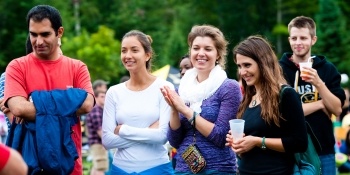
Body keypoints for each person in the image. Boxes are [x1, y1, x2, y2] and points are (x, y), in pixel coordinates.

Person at [1, 5, 94, 175]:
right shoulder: (16, 67)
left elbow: (87, 104)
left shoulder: (77, 67)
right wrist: (70, 101)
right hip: (29, 164)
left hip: (70, 165)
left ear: (59, 32)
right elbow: (18, 108)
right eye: (33, 34)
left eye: (45, 34)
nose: (38, 41)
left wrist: (34, 100)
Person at [161, 25, 242, 174]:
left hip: (218, 168)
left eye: (208, 49)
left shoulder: (229, 87)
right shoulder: (182, 89)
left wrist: (185, 110)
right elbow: (174, 141)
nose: (201, 53)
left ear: (218, 54)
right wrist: (174, 109)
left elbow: (221, 136)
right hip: (183, 169)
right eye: (196, 48)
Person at [226, 35, 308, 174]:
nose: (242, 72)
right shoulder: (248, 98)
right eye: (239, 66)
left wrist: (259, 141)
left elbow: (299, 143)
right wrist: (238, 142)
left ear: (263, 63)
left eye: (247, 65)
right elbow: (251, 139)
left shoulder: (285, 95)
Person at [279, 16, 346, 175]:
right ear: (289, 40)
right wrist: (321, 104)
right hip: (291, 149)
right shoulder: (279, 70)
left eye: (303, 38)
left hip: (323, 148)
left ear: (313, 40)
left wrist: (318, 83)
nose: (298, 42)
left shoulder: (327, 69)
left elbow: (337, 109)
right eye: (294, 38)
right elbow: (282, 112)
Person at [102, 30, 174, 174]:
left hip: (157, 169)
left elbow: (162, 137)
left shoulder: (165, 88)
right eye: (124, 51)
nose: (128, 56)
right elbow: (107, 141)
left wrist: (123, 130)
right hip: (120, 169)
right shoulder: (113, 92)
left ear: (147, 55)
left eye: (134, 50)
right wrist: (150, 131)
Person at [86, 90, 108, 175]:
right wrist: (105, 142)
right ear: (96, 97)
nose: (104, 98)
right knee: (100, 168)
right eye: (102, 96)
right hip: (98, 143)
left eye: (105, 96)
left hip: (96, 143)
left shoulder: (98, 109)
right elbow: (99, 129)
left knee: (96, 168)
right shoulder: (96, 110)